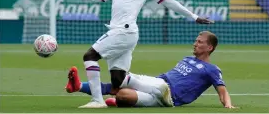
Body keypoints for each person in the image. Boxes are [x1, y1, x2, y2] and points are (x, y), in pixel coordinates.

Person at [55, 0, 213, 108]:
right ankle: (158, 90)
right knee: (118, 80)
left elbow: (168, 2)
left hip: (124, 31)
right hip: (121, 33)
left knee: (90, 56)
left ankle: (97, 100)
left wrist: (194, 16)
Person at [66, 31, 237, 108]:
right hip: (158, 91)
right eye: (196, 40)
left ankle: (115, 64)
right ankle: (79, 86)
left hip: (169, 94)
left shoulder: (212, 69)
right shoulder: (187, 59)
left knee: (124, 78)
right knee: (122, 94)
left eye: (200, 42)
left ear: (210, 47)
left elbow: (222, 90)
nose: (195, 43)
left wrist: (228, 105)